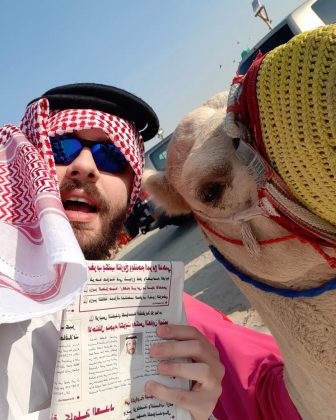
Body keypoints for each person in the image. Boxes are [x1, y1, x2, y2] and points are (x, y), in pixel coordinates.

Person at [0, 83, 224, 420]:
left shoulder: (150, 311)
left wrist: (196, 409)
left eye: (112, 156)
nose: (85, 165)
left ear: (132, 192)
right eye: (62, 147)